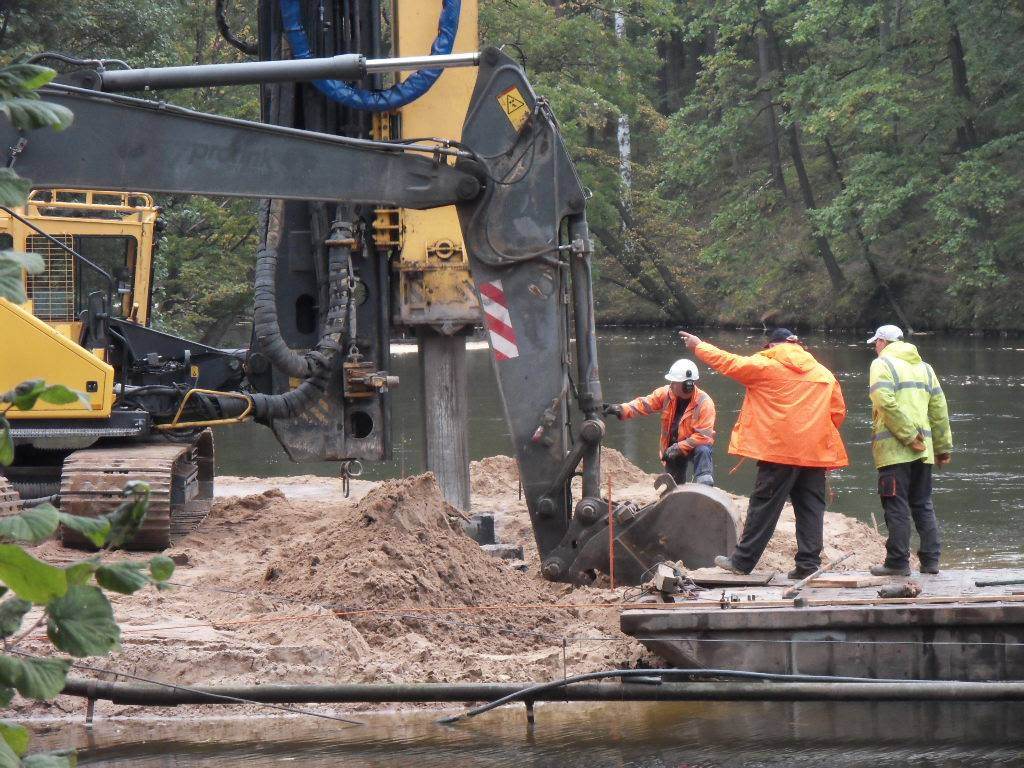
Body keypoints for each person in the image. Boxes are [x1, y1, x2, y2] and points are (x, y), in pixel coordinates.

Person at [679, 328, 848, 579]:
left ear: (771, 346)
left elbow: (729, 362)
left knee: (764, 507)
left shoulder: (766, 365)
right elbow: (837, 412)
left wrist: (698, 346)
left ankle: (742, 562)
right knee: (811, 508)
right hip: (814, 454)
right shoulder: (823, 373)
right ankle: (808, 565)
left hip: (778, 451)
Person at [865, 324, 953, 577]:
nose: (875, 348)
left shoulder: (882, 364)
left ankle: (897, 562)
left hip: (895, 450)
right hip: (924, 452)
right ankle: (931, 561)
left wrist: (908, 436)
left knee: (896, 506)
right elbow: (939, 410)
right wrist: (942, 448)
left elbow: (884, 402)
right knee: (923, 504)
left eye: (876, 343)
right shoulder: (926, 368)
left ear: (882, 342)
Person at [602, 358, 716, 486]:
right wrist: (621, 409)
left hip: (693, 445)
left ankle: (705, 486)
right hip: (672, 447)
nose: (671, 384)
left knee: (703, 450)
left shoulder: (705, 403)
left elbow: (704, 436)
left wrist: (679, 447)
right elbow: (645, 404)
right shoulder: (666, 393)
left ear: (687, 385)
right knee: (674, 485)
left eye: (674, 382)